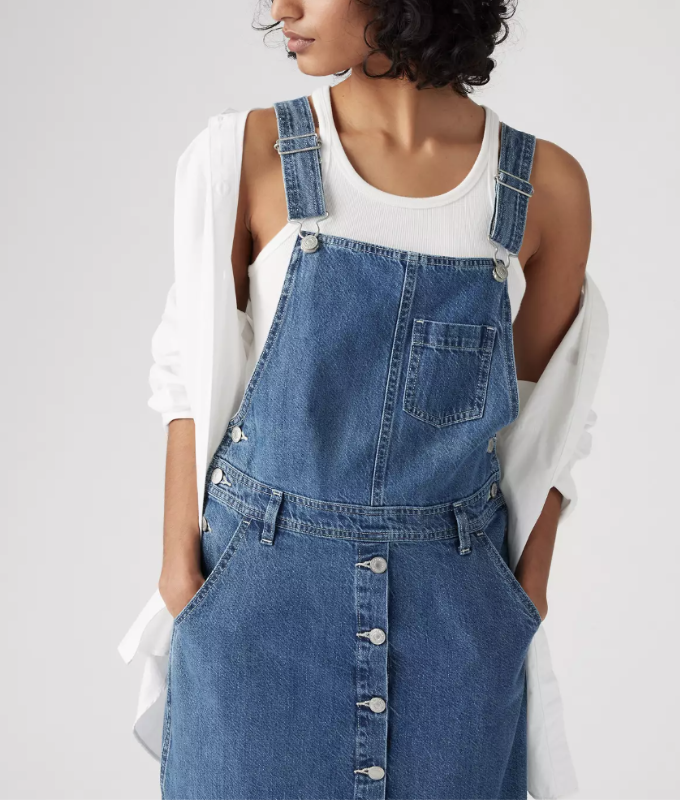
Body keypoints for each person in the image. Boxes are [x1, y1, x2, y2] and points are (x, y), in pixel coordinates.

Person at [117, 1, 609, 798]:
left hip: (453, 628)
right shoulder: (248, 155)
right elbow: (183, 369)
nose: (283, 8)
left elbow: (552, 420)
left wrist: (519, 601)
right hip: (257, 609)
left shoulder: (543, 188)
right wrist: (182, 571)